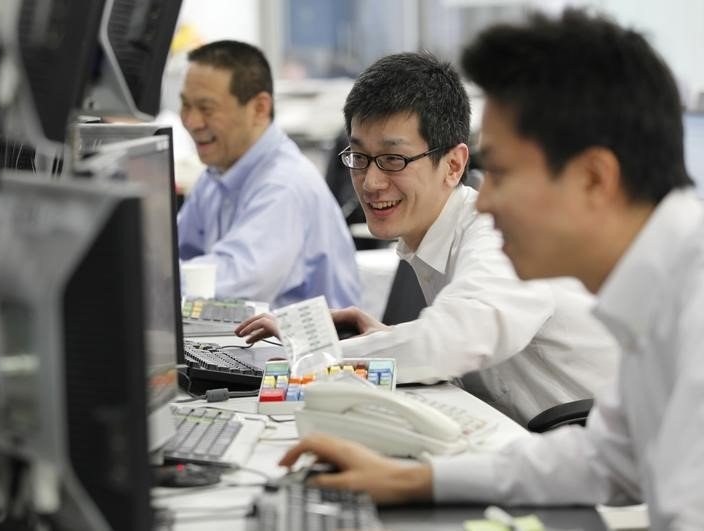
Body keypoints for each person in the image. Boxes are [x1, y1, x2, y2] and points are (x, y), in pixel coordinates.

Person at [278, 9, 704, 529]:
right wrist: (414, 481)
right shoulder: (658, 294)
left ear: (594, 178)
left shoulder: (691, 311)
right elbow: (607, 458)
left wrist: (312, 364)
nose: (482, 200)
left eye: (499, 172)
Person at [237, 51, 618, 425]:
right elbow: (460, 342)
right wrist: (388, 339)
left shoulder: (499, 235)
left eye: (393, 160)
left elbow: (456, 340)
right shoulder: (435, 236)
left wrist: (318, 356)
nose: (370, 183)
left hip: (587, 457)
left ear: (453, 165)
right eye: (359, 157)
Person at [176, 40, 361, 309]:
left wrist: (150, 280)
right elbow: (173, 256)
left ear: (259, 108)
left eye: (207, 108)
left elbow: (232, 284)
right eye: (185, 105)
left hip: (302, 337)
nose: (191, 122)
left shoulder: (283, 185)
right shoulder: (216, 176)